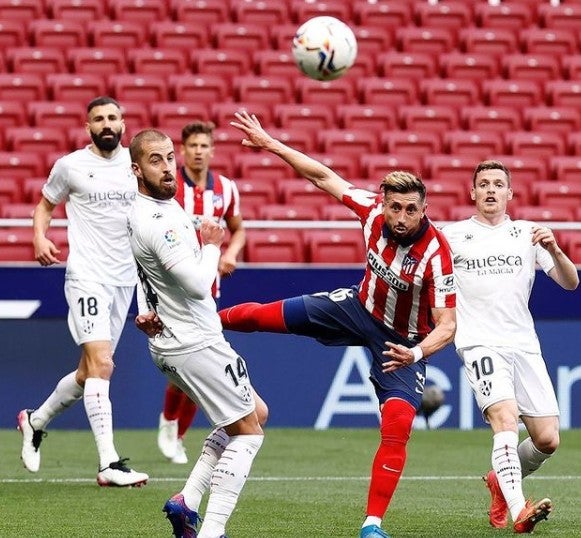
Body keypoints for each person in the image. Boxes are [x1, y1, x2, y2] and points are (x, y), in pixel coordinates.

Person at [218, 111, 457, 538]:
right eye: (395, 207)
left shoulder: (437, 255)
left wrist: (416, 353)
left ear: (425, 209)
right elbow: (323, 177)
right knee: (259, 316)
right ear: (382, 202)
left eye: (412, 210)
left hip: (401, 343)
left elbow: (449, 324)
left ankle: (372, 525)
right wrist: (270, 143)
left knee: (399, 423)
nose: (402, 217)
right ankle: (197, 324)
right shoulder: (371, 213)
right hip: (356, 307)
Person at [127, 128, 264, 538]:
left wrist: (145, 310)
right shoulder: (160, 219)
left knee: (254, 413)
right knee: (250, 435)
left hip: (174, 340)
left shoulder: (144, 210)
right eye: (156, 160)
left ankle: (186, 501)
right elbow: (195, 284)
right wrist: (211, 246)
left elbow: (142, 271)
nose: (168, 167)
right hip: (195, 341)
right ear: (136, 168)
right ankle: (213, 531)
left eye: (169, 157)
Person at [441, 160, 579, 534]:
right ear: (472, 193)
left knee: (548, 440)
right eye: (483, 183)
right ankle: (520, 509)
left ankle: (500, 481)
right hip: (479, 344)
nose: (490, 189)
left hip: (523, 345)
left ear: (509, 193)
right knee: (504, 418)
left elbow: (571, 284)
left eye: (497, 184)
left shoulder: (527, 234)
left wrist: (557, 248)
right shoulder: (451, 237)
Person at [18, 96, 148, 487]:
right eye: (98, 119)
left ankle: (35, 421)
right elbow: (44, 205)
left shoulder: (137, 166)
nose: (106, 124)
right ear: (88, 125)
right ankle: (108, 463)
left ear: (123, 123)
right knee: (102, 364)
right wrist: (39, 237)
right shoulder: (71, 166)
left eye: (112, 117)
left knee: (87, 371)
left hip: (125, 279)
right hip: (87, 275)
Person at [158, 121, 247, 465]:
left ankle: (176, 434)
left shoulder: (226, 188)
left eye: (203, 145)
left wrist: (230, 254)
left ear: (212, 150)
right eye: (192, 145)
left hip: (209, 290)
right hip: (172, 287)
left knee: (203, 368)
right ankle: (169, 421)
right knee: (183, 366)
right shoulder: (169, 186)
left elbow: (238, 230)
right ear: (183, 150)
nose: (198, 151)